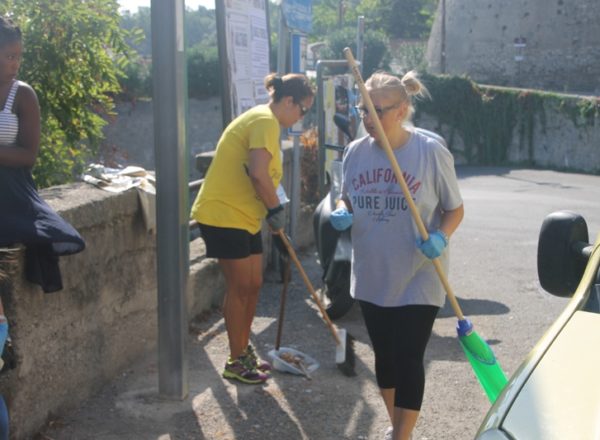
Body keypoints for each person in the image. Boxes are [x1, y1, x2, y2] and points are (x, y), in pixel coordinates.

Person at [330, 71, 464, 440]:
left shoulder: (429, 151)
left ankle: (402, 436)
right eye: (363, 110)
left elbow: (455, 209)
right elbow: (348, 195)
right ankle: (396, 425)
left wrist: (441, 235)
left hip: (419, 272)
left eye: (377, 110)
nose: (368, 119)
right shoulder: (356, 151)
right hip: (373, 271)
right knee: (384, 357)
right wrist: (344, 209)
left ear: (402, 109)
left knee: (408, 357)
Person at [190, 72, 314, 385]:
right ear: (289, 101)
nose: (302, 117)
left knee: (254, 283)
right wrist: (276, 211)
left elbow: (265, 178)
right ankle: (236, 360)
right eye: (303, 110)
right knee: (240, 287)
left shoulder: (267, 123)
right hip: (223, 214)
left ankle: (243, 350)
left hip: (244, 216)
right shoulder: (265, 121)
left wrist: (274, 211)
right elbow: (259, 174)